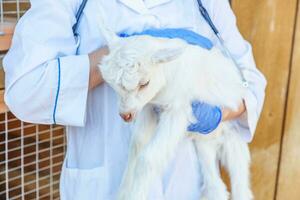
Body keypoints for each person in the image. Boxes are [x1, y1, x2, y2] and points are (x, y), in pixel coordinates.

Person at [3, 0, 267, 199]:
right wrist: (117, 58)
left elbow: (250, 84)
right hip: (103, 187)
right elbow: (25, 89)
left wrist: (219, 112)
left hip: (187, 186)